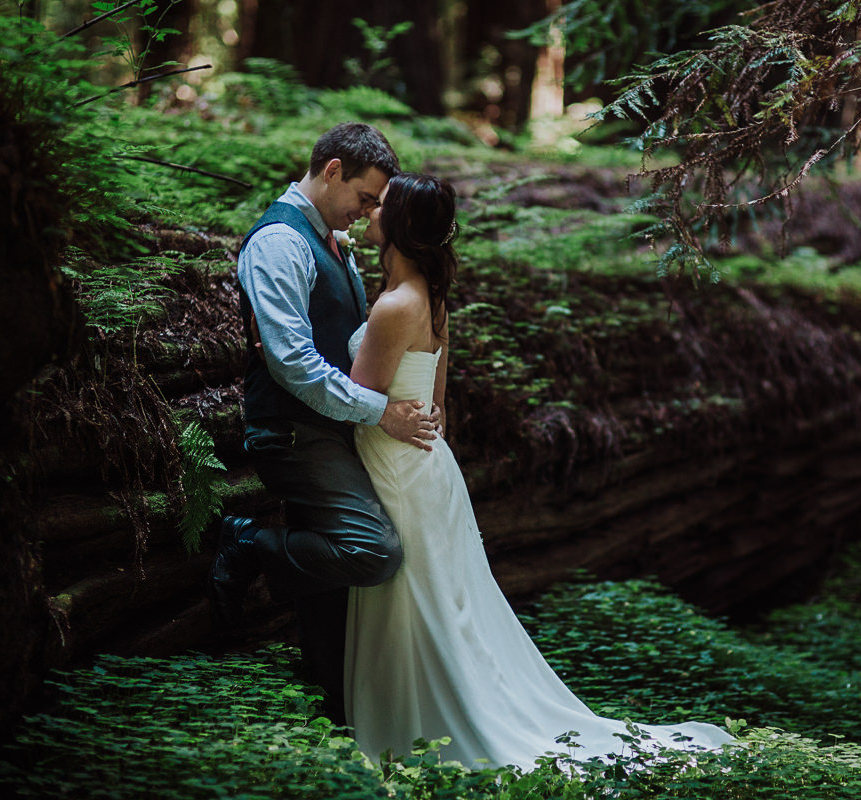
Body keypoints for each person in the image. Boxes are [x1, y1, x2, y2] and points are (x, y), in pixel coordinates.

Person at [342, 172, 735, 770]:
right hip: (428, 467)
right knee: (439, 606)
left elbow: (355, 400)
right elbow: (437, 404)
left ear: (397, 226)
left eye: (381, 206)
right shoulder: (426, 296)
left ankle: (418, 727)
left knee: (415, 603)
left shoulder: (398, 306)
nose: (370, 209)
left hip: (400, 470)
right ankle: (429, 716)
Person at [208, 122, 437, 723]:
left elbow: (351, 344)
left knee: (333, 582)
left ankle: (331, 703)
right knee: (373, 550)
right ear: (332, 169)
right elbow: (293, 364)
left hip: (333, 426)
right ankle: (248, 541)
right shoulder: (280, 243)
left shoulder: (333, 240)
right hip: (291, 429)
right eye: (365, 197)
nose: (369, 213)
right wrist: (381, 412)